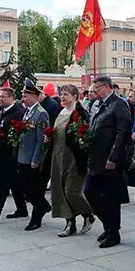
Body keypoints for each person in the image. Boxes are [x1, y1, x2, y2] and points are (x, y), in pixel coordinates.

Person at [84, 74, 132, 248]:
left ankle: (113, 233)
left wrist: (113, 157)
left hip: (111, 159)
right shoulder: (98, 104)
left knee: (111, 197)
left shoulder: (119, 104)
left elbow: (122, 133)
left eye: (96, 87)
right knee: (90, 191)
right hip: (96, 158)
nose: (93, 91)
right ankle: (108, 225)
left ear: (105, 87)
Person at [51, 85, 95, 237]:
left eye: (66, 94)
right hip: (58, 156)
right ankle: (70, 223)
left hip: (74, 157)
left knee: (71, 191)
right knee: (60, 190)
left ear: (75, 96)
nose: (62, 97)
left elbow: (85, 135)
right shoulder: (60, 111)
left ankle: (88, 214)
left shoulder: (80, 113)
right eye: (61, 94)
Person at [0, 87, 29, 222]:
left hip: (11, 154)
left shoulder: (17, 112)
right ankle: (22, 209)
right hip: (1, 152)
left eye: (3, 96)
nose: (0, 98)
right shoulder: (0, 110)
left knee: (3, 184)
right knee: (14, 183)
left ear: (11, 98)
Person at [17, 81, 51, 231]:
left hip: (32, 159)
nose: (22, 98)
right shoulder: (28, 111)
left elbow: (41, 139)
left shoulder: (41, 113)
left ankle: (36, 218)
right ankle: (43, 206)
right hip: (23, 156)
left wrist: (36, 159)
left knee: (36, 190)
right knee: (25, 189)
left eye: (25, 96)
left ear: (34, 97)